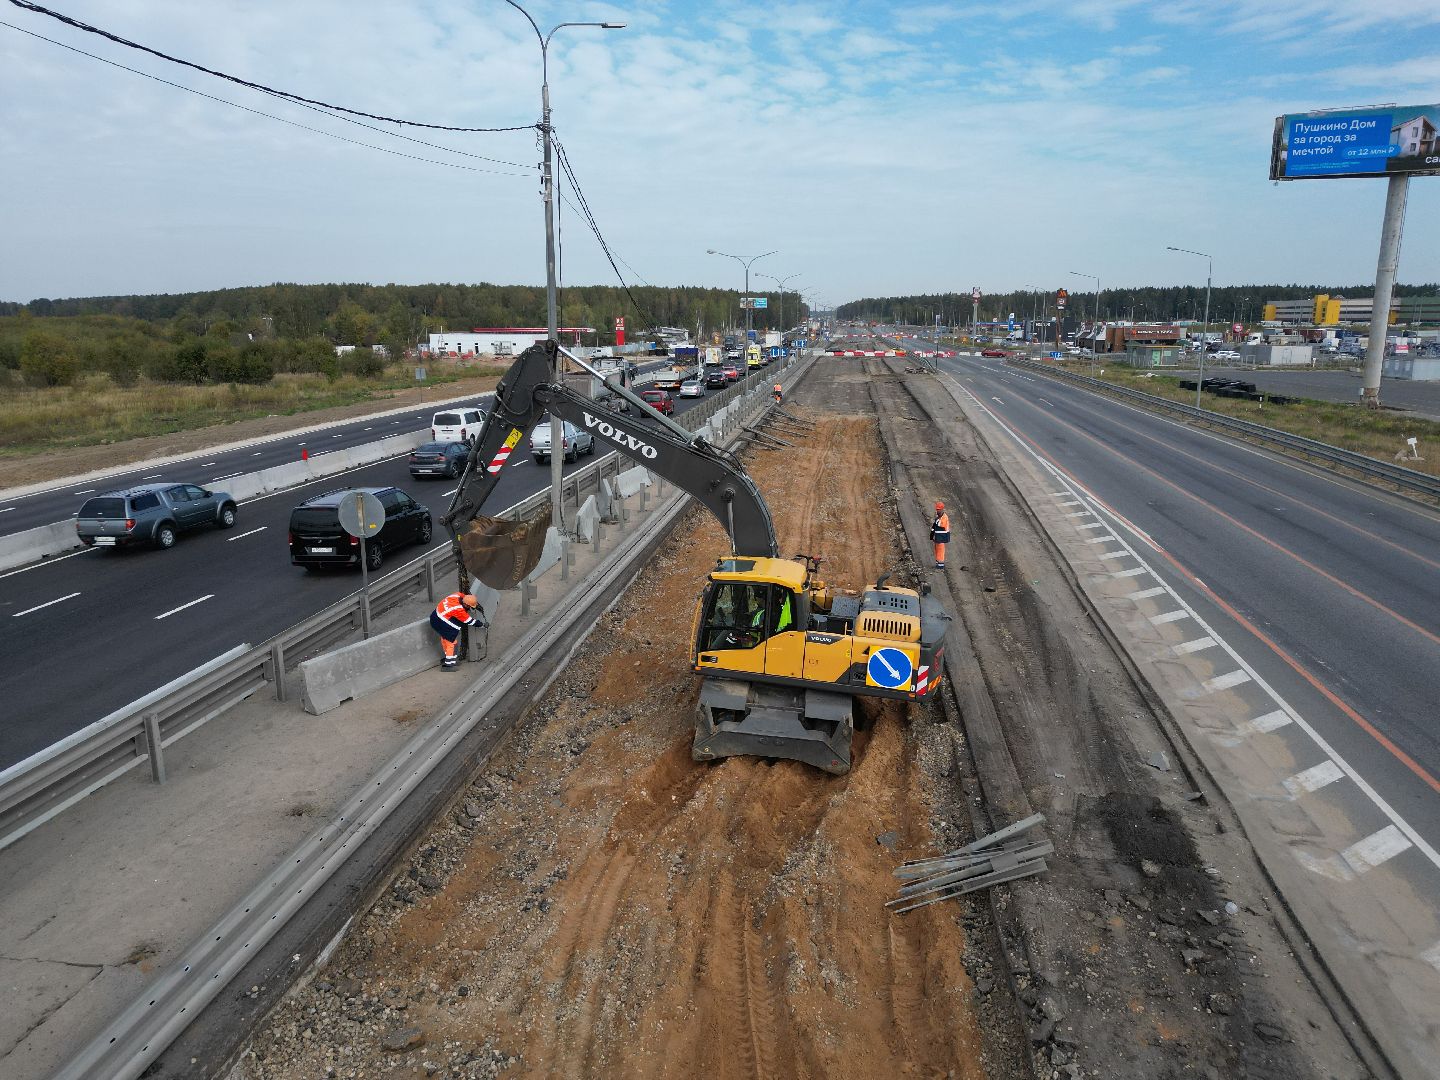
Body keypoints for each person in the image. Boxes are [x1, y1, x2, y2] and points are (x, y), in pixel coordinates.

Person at [431, 592, 483, 671]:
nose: (469, 608)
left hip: (436, 616)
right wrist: (480, 624)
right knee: (451, 643)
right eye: (469, 607)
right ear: (466, 605)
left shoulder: (457, 595)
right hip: (441, 622)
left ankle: (451, 660)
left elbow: (464, 595)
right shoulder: (458, 609)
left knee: (445, 640)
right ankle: (448, 665)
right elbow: (469, 621)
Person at [930, 501, 951, 569]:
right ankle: (938, 563)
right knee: (937, 550)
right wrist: (932, 536)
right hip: (938, 537)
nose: (937, 511)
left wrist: (937, 519)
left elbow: (940, 525)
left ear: (942, 509)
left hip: (942, 538)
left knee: (940, 550)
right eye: (937, 509)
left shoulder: (944, 518)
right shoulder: (939, 517)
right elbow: (935, 527)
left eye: (938, 509)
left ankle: (940, 565)